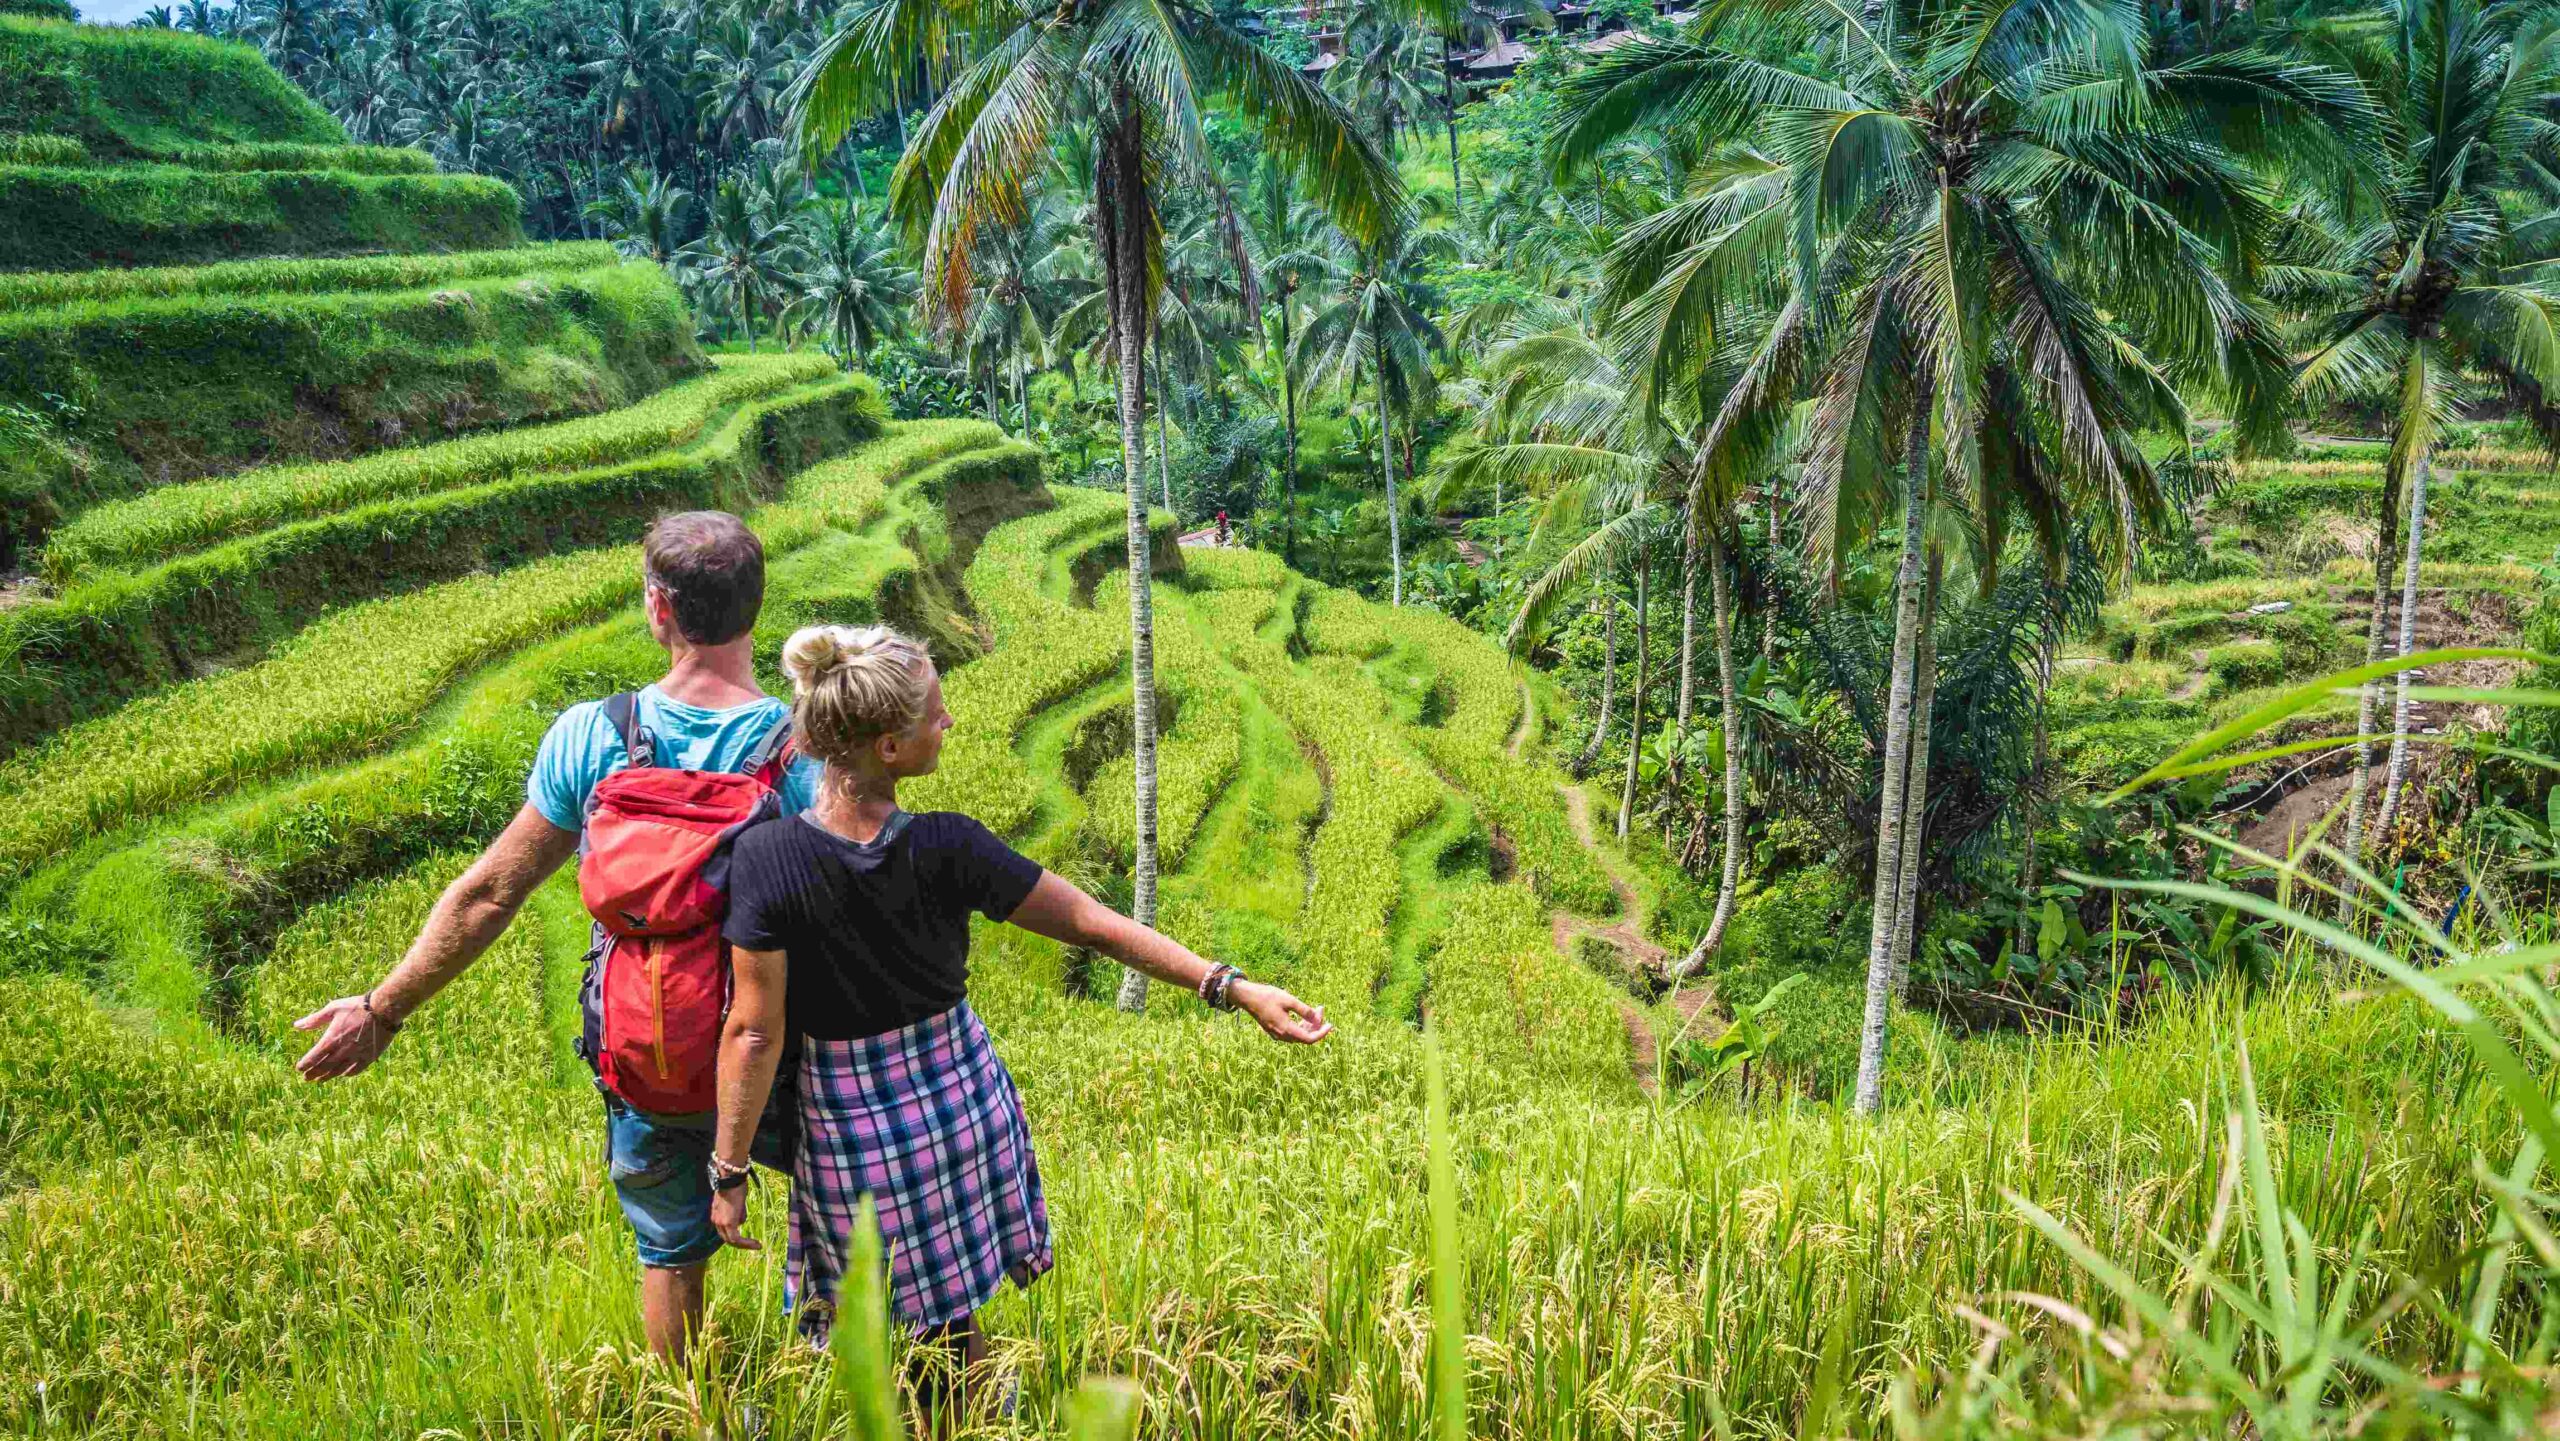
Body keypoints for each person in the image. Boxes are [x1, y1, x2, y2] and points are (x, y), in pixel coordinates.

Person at [705, 623, 1331, 1422]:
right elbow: (1094, 924)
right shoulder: (947, 845)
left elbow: (753, 1031)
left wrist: (728, 1172)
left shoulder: (767, 859)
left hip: (850, 1130)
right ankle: (974, 1414)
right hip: (961, 1105)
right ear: (890, 748)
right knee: (953, 1309)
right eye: (934, 714)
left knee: (875, 1321)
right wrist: (1230, 985)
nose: (949, 723)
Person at [290, 511, 823, 1366]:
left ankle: (692, 1416)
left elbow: (489, 894)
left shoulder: (595, 736)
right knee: (858, 1216)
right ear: (757, 608)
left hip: (645, 1048)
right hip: (777, 1054)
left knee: (670, 1252)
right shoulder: (802, 748)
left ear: (659, 609)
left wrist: (381, 1009)